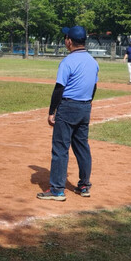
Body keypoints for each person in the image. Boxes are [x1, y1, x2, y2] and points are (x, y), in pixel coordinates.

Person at [37, 26, 99, 201]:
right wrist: (88, 102)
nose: (65, 41)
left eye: (66, 38)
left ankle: (57, 189)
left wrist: (51, 112)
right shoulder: (93, 61)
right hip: (85, 107)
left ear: (70, 41)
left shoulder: (68, 61)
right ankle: (84, 185)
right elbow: (94, 86)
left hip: (68, 107)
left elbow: (59, 88)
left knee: (60, 149)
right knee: (82, 147)